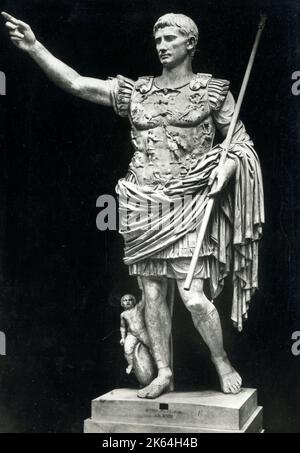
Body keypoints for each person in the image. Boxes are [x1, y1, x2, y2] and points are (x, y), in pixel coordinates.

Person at [1, 11, 264, 399]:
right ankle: (163, 371)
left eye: (170, 39)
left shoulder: (211, 92)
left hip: (189, 203)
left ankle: (221, 359)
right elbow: (76, 84)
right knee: (152, 293)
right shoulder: (136, 92)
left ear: (190, 43)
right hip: (142, 204)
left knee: (193, 296)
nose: (161, 45)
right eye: (157, 40)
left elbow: (239, 145)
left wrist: (223, 172)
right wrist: (35, 47)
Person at [120, 294, 151, 375]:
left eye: (129, 300)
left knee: (152, 347)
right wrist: (123, 338)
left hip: (142, 332)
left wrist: (143, 288)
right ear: (122, 303)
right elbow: (123, 327)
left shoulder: (138, 308)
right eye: (125, 300)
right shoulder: (123, 314)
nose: (127, 302)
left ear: (133, 301)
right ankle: (132, 365)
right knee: (127, 350)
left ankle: (155, 364)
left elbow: (144, 299)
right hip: (131, 334)